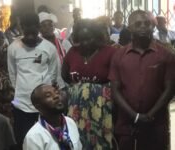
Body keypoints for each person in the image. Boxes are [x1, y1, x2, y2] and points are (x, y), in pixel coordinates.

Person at [109, 10, 175, 150]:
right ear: (130, 28)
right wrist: (135, 116)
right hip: (126, 123)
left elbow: (170, 89)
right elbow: (115, 90)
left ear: (153, 26)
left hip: (156, 123)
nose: (143, 27)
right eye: (138, 24)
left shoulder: (166, 56)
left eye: (148, 23)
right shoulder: (119, 56)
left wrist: (150, 115)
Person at [62, 19, 116, 149]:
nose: (85, 43)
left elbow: (116, 79)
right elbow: (65, 74)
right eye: (82, 39)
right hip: (76, 106)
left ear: (96, 36)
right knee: (78, 139)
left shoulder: (109, 52)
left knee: (101, 141)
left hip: (102, 106)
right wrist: (79, 89)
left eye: (89, 38)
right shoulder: (72, 52)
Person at [8, 13, 59, 150]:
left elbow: (53, 74)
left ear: (38, 27)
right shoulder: (13, 48)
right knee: (23, 140)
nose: (30, 36)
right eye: (26, 31)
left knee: (46, 140)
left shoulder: (49, 48)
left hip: (44, 105)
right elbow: (13, 74)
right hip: (21, 104)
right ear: (21, 28)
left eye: (33, 32)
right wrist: (19, 95)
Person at [23, 84, 82, 150]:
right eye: (48, 95)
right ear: (38, 106)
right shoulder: (34, 137)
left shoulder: (70, 122)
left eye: (56, 92)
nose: (56, 96)